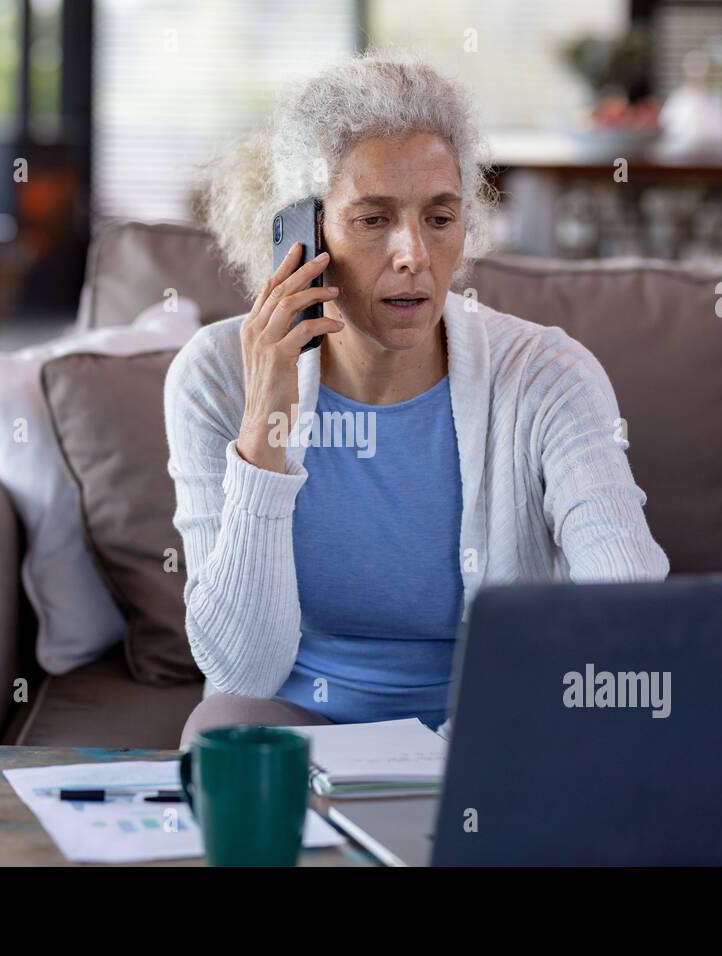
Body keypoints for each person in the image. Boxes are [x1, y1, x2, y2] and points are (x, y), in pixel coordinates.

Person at [167, 53, 669, 748]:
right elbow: (242, 672)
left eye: (439, 217)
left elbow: (629, 614)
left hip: (498, 730)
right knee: (220, 732)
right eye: (373, 220)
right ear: (300, 236)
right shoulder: (215, 377)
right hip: (298, 731)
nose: (413, 254)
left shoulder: (547, 375)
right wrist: (265, 426)